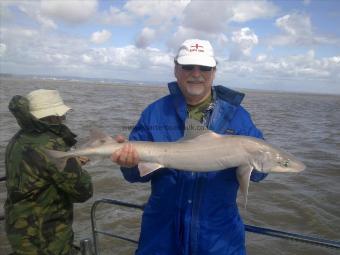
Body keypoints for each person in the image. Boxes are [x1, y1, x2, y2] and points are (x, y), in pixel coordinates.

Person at [111, 39, 267, 255]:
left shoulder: (238, 118)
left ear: (214, 71)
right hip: (161, 237)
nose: (196, 73)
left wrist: (259, 164)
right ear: (176, 69)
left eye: (204, 68)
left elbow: (260, 175)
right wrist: (128, 164)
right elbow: (135, 176)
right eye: (188, 67)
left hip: (218, 239)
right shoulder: (155, 113)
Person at [4, 89, 93, 255]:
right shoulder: (52, 144)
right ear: (52, 117)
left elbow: (39, 169)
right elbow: (83, 191)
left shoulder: (18, 138)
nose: (63, 119)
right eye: (61, 115)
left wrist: (71, 162)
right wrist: (75, 164)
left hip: (19, 230)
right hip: (45, 237)